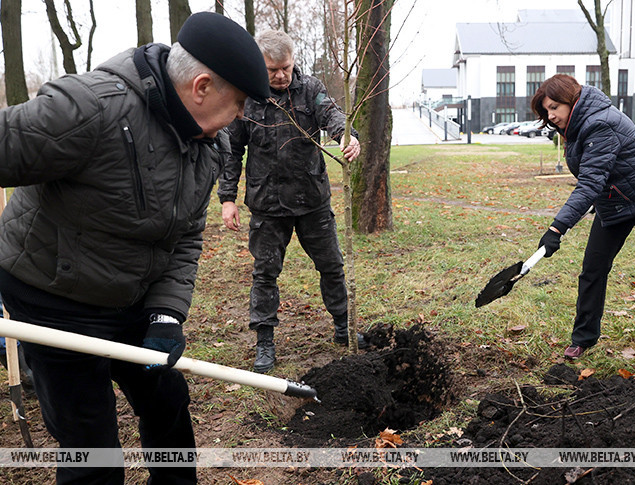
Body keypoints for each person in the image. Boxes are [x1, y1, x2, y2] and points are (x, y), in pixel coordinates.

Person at [0, 12, 269, 484]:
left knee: (168, 404)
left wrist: (165, 313)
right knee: (92, 452)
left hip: (134, 300)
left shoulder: (208, 145)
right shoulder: (89, 108)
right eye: (240, 102)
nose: (242, 116)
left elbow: (186, 235)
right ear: (201, 87)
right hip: (53, 303)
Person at [219, 29, 368, 374]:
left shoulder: (311, 89)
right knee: (265, 274)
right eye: (273, 70)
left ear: (293, 61)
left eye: (286, 67)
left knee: (332, 265)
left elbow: (334, 117)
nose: (281, 75)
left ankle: (344, 328)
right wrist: (227, 198)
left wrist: (348, 138)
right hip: (267, 205)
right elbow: (232, 151)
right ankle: (265, 342)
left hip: (312, 199)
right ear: (261, 66)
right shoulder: (247, 98)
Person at [531, 74, 635, 371]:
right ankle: (584, 337)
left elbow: (588, 184)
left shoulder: (601, 123)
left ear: (571, 100)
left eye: (554, 108)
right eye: (546, 111)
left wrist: (556, 228)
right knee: (593, 269)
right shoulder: (576, 123)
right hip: (615, 202)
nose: (550, 116)